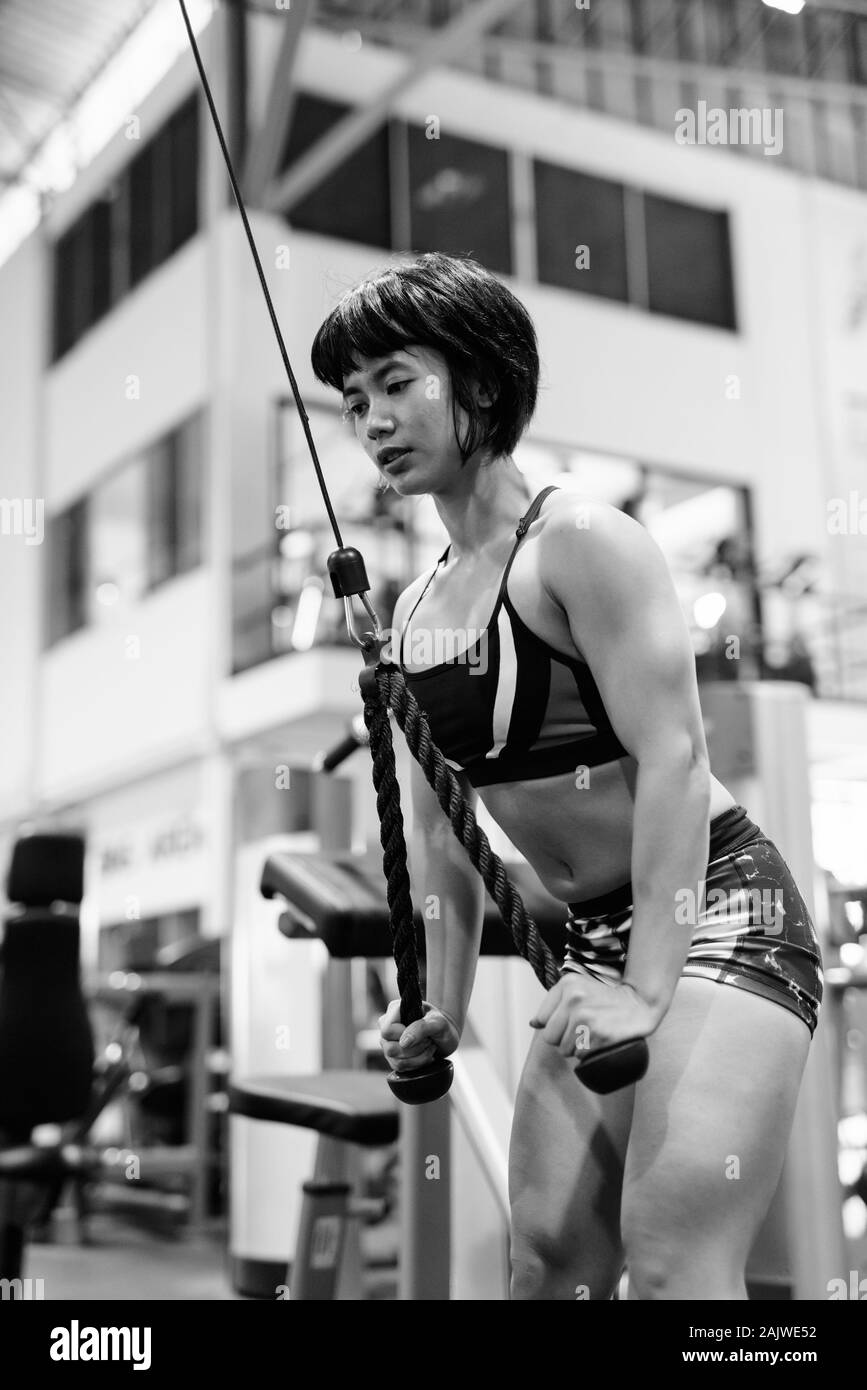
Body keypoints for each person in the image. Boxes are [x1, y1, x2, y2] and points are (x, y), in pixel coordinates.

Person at [310, 252, 823, 1301]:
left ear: (482, 383)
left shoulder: (581, 541)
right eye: (355, 399)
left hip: (720, 911)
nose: (373, 420)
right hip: (589, 940)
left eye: (399, 382)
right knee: (549, 1261)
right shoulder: (412, 615)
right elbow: (444, 840)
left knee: (677, 1264)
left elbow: (677, 761)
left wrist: (648, 987)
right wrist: (438, 1010)